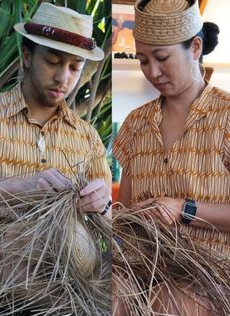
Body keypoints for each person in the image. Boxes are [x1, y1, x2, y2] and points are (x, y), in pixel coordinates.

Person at [0, 2, 112, 313]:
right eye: (53, 61)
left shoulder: (87, 137)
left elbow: (109, 222)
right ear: (27, 56)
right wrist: (21, 187)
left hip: (65, 290)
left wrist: (103, 204)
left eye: (74, 67)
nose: (63, 77)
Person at [113, 0, 229, 314]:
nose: (153, 72)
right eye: (143, 61)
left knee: (176, 301)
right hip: (144, 271)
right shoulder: (137, 123)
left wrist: (183, 209)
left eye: (162, 58)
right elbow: (123, 214)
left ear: (194, 47)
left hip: (213, 278)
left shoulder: (226, 116)